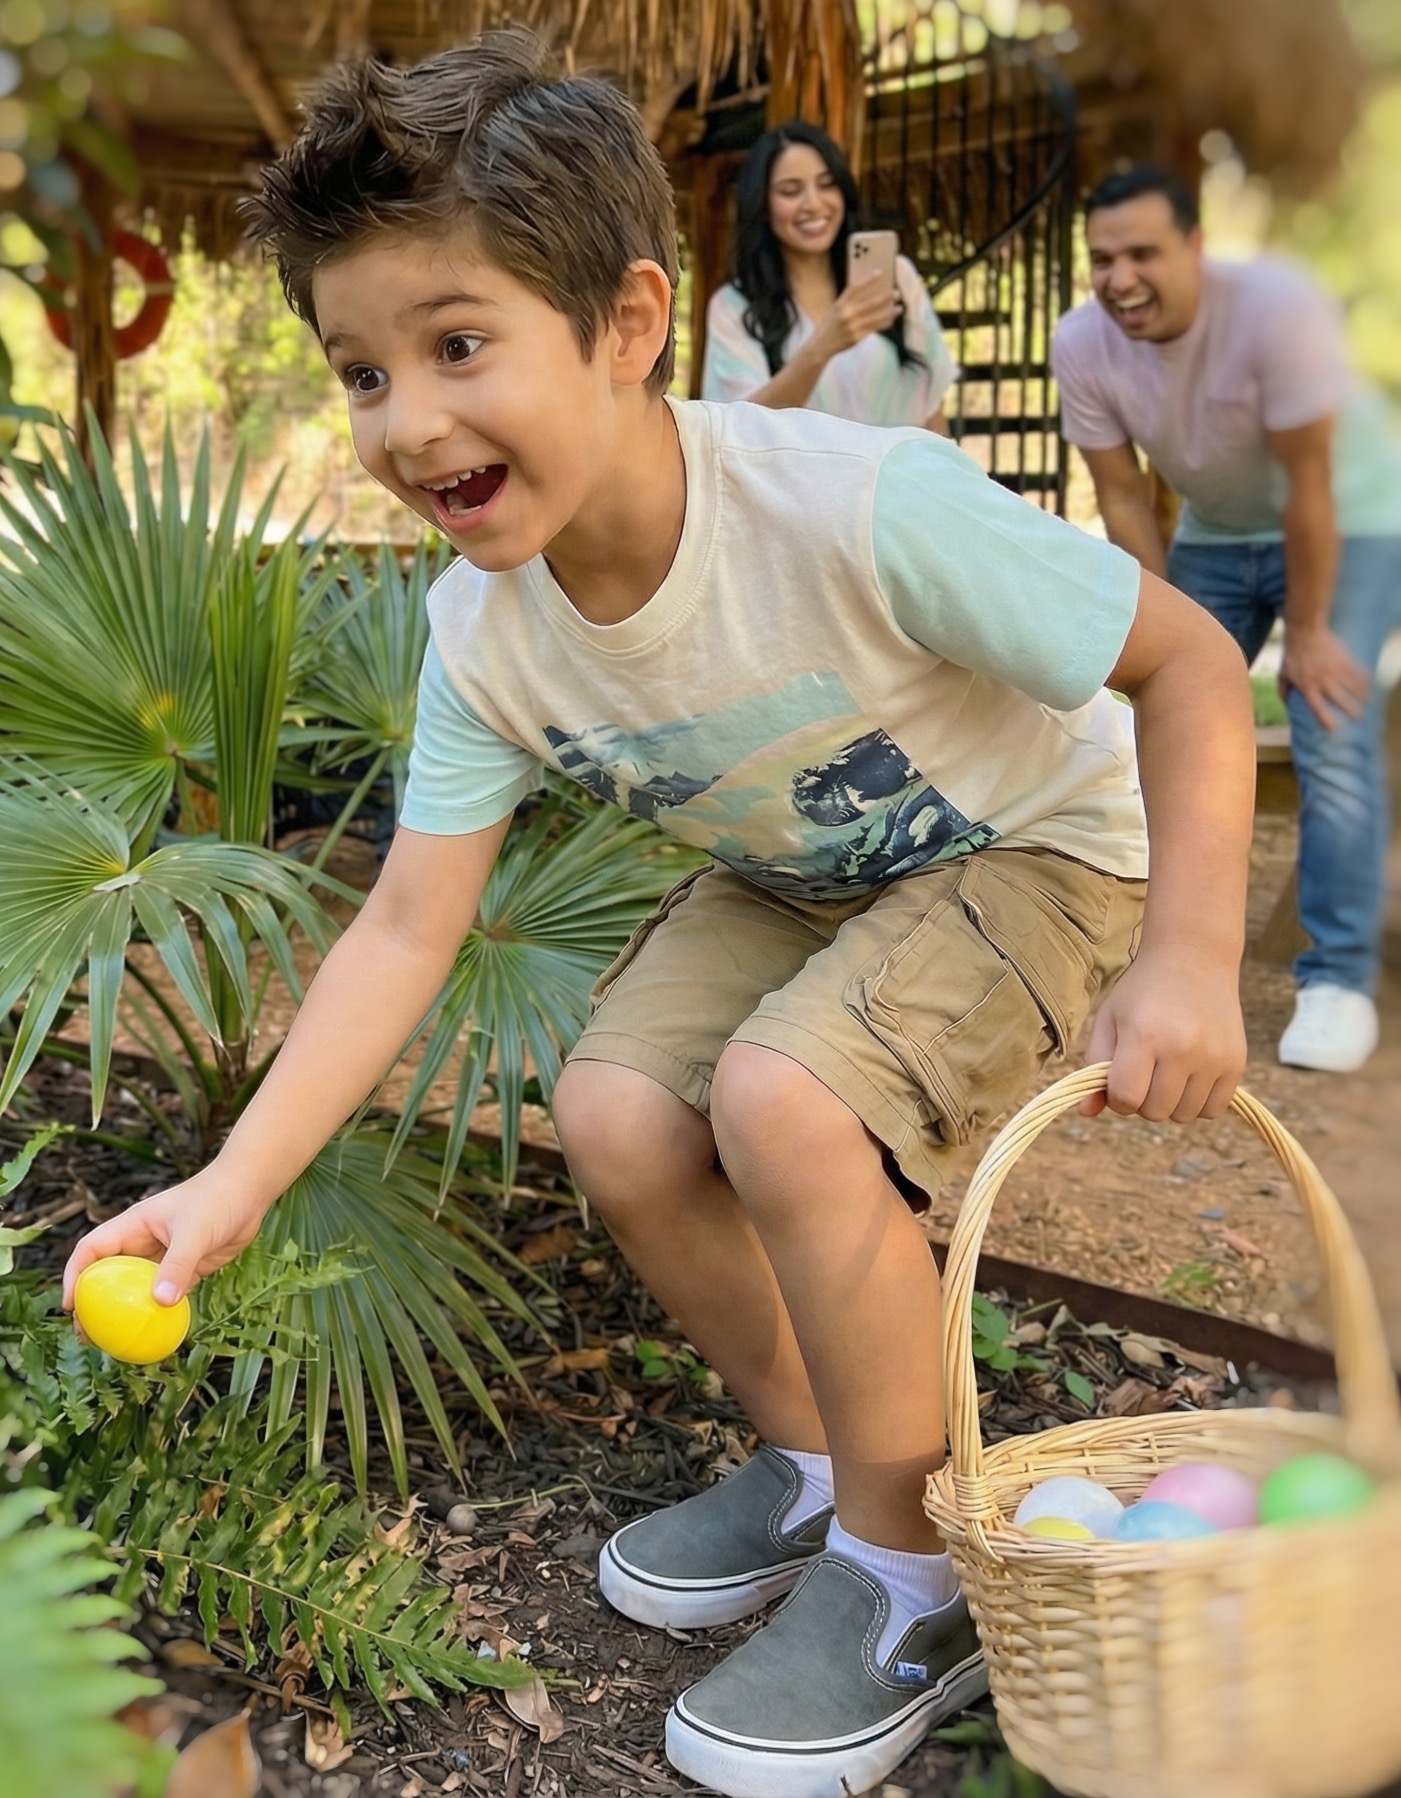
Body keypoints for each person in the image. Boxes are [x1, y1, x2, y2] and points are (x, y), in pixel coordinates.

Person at [63, 37, 1254, 1798]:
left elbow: (1192, 664)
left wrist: (1192, 959)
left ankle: (914, 1566)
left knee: (784, 1099)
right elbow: (403, 925)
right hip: (808, 868)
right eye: (364, 370)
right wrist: (231, 1183)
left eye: (458, 344)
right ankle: (815, 1459)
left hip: (1043, 842)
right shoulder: (483, 636)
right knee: (616, 1113)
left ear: (628, 324)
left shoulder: (860, 505)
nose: (407, 420)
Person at [1052, 164, 1401, 1075]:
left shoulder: (1273, 314)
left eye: (1141, 254)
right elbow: (1122, 496)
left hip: (1348, 520)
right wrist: (1159, 636)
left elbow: (1311, 483)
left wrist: (1314, 633)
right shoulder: (1082, 343)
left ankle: (1335, 980)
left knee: (1330, 718)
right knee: (1140, 725)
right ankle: (1134, 945)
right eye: (1101, 259)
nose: (1119, 277)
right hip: (1216, 532)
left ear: (1196, 250)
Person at [701, 119, 957, 430]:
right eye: (791, 190)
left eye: (827, 184)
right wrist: (820, 348)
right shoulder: (733, 307)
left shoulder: (896, 277)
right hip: (799, 480)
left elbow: (932, 409)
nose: (813, 203)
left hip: (901, 477)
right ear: (763, 205)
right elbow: (736, 431)